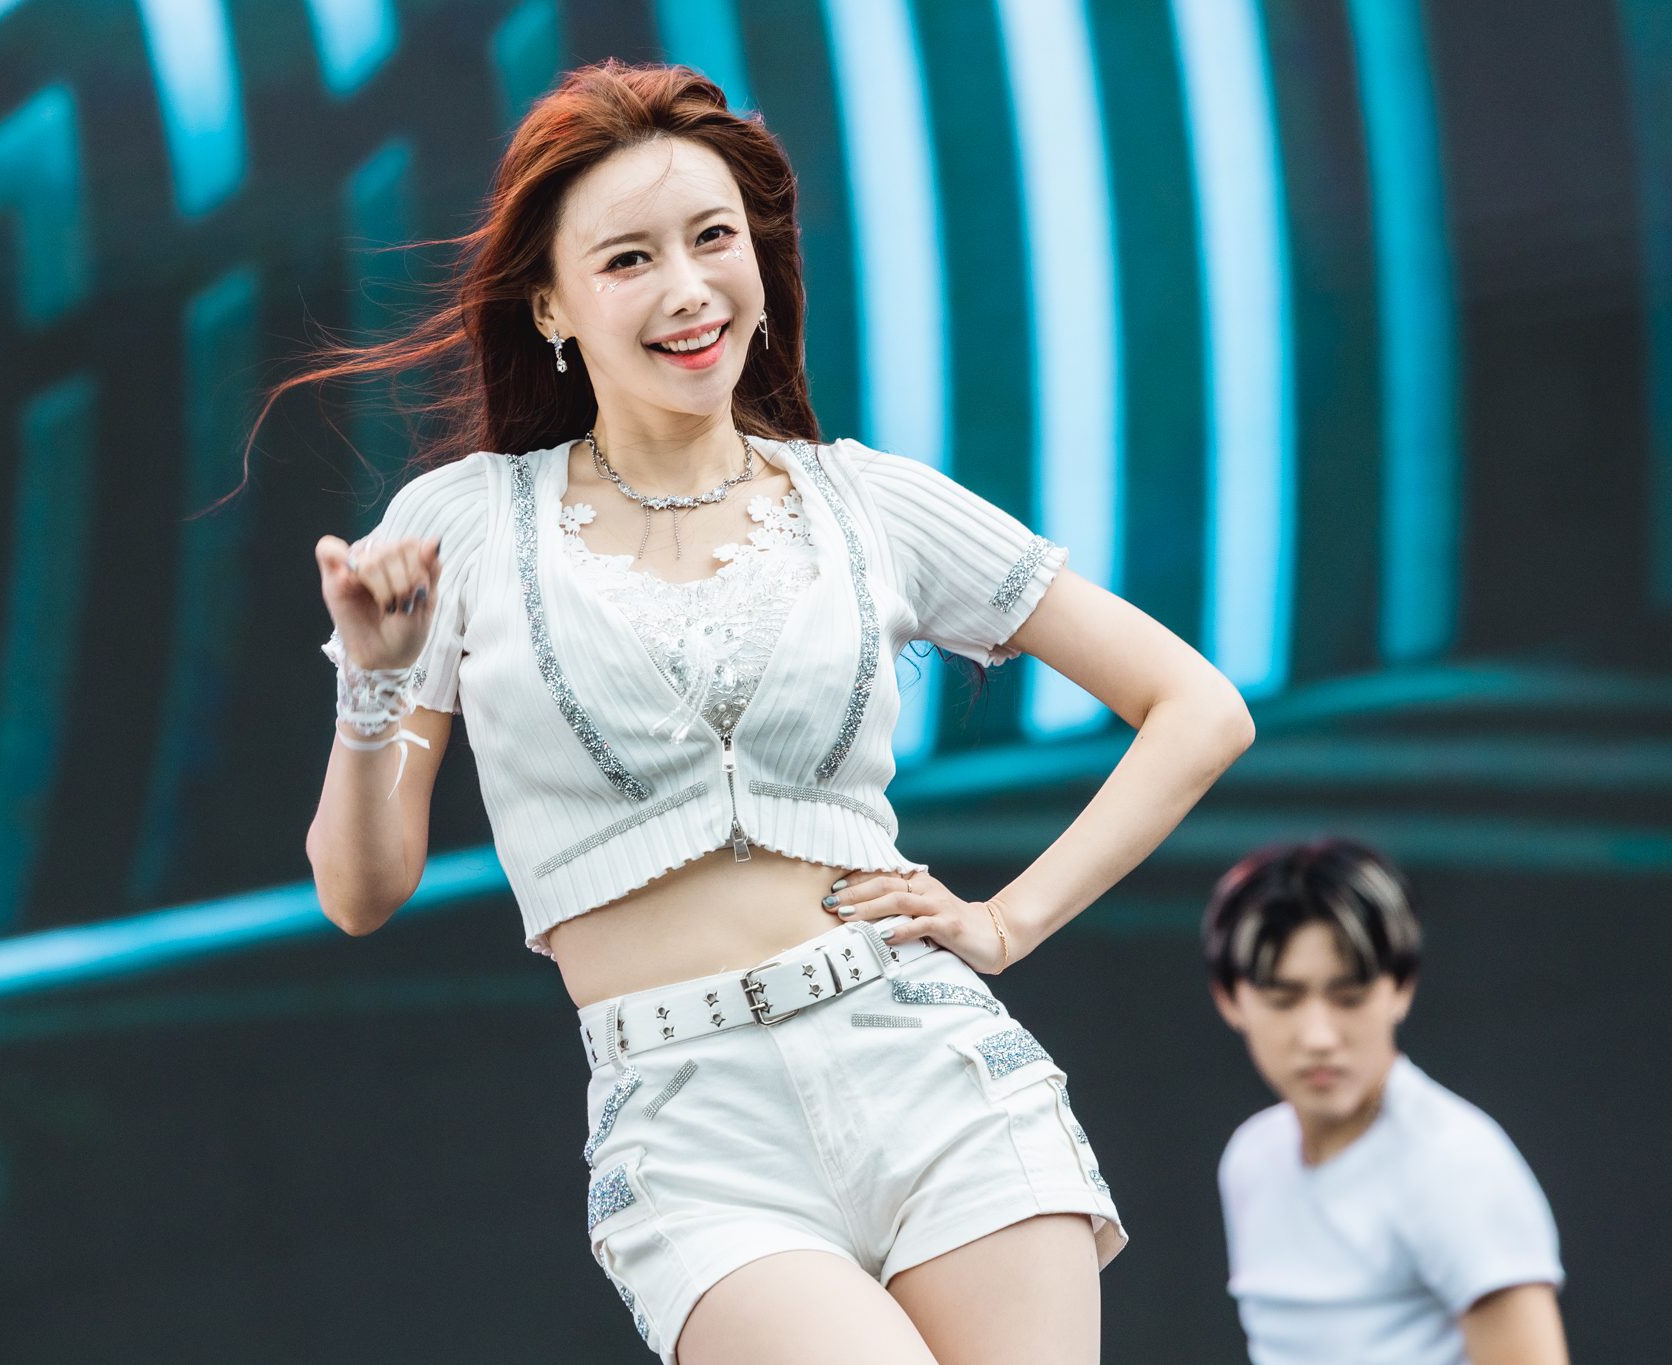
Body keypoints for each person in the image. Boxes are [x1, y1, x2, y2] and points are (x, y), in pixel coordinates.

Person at [292, 60, 1253, 1365]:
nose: (688, 288)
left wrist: (1006, 920)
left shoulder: (866, 499)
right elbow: (359, 891)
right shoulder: (460, 528)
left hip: (926, 1065)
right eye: (628, 258)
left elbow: (1197, 705)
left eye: (713, 238)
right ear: (551, 304)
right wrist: (374, 680)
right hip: (689, 1129)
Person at [1203, 838, 1568, 1365]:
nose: (1319, 1036)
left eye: (1349, 997)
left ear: (1401, 987)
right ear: (1229, 999)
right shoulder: (1250, 1159)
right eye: (1283, 999)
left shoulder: (1459, 1164)